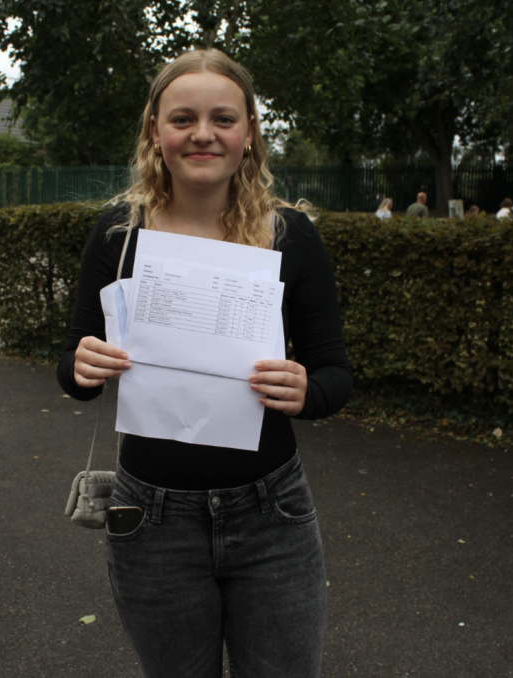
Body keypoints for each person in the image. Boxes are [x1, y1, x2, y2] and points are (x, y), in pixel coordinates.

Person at [57, 49, 352, 677]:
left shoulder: (289, 235)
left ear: (248, 134)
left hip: (273, 514)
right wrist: (81, 366)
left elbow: (334, 375)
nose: (202, 134)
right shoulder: (119, 235)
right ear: (154, 132)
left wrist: (307, 388)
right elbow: (73, 368)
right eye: (182, 118)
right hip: (151, 521)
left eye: (223, 118)